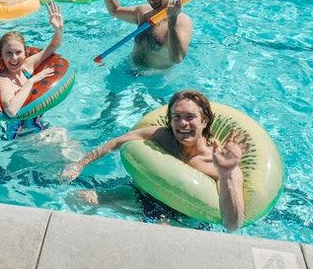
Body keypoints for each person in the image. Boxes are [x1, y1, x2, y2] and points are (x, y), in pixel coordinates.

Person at [61, 90, 251, 231]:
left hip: (183, 218)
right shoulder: (162, 136)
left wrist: (226, 172)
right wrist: (80, 164)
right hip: (142, 196)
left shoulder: (220, 161)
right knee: (78, 197)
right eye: (177, 117)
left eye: (190, 117)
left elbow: (232, 224)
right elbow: (115, 143)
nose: (183, 123)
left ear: (205, 120)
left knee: (156, 236)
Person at [100, 0, 193, 70]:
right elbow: (115, 11)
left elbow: (177, 59)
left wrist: (172, 20)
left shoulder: (182, 21)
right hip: (128, 69)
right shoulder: (143, 12)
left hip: (153, 80)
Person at [0, 1, 63, 139]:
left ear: (26, 52)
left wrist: (58, 29)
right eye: (8, 53)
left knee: (65, 137)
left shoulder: (28, 65)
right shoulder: (4, 80)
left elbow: (54, 45)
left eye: (18, 52)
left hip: (38, 126)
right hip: (21, 136)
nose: (14, 58)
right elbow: (11, 111)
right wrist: (31, 81)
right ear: (1, 55)